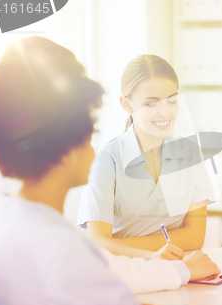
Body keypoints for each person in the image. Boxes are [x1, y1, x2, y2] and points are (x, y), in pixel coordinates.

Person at [0, 36, 222, 305]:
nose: (94, 150)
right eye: (89, 134)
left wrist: (175, 270)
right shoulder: (64, 251)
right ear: (66, 146)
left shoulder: (7, 217)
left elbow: (117, 292)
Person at [78, 54, 213, 259]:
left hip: (177, 271)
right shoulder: (107, 161)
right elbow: (97, 242)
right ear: (127, 104)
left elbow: (195, 236)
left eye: (172, 100)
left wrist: (117, 245)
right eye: (151, 103)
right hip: (124, 275)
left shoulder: (189, 154)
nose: (164, 112)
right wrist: (154, 254)